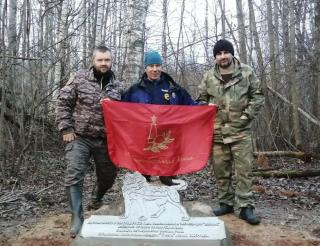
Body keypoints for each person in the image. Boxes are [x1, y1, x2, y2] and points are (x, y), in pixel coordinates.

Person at [56, 46, 124, 237]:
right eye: (100, 60)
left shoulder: (118, 86)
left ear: (111, 61)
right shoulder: (79, 79)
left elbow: (127, 113)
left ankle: (97, 197)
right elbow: (63, 102)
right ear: (93, 60)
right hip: (79, 137)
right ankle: (77, 217)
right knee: (74, 174)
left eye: (107, 60)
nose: (104, 63)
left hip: (105, 140)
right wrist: (66, 128)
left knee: (109, 175)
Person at [197, 39, 264, 225]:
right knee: (221, 171)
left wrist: (246, 117)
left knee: (244, 171)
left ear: (232, 53)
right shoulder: (209, 76)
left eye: (226, 52)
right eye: (219, 54)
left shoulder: (246, 72)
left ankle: (245, 207)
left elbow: (257, 96)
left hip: (240, 131)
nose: (222, 56)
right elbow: (200, 100)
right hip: (217, 133)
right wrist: (205, 106)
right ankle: (226, 203)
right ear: (215, 57)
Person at [122, 50, 196, 186]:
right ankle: (144, 192)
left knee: (167, 175)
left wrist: (207, 107)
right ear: (145, 68)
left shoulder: (172, 87)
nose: (155, 69)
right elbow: (120, 109)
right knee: (143, 177)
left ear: (161, 67)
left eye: (157, 65)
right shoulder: (135, 90)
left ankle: (168, 190)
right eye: (151, 66)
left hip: (167, 139)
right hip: (143, 139)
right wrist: (108, 104)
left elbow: (191, 105)